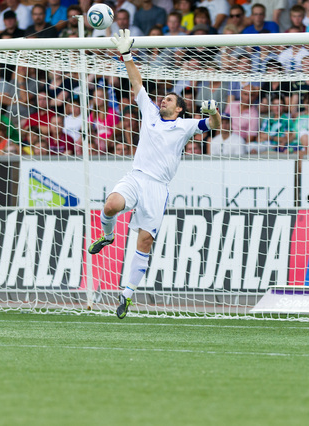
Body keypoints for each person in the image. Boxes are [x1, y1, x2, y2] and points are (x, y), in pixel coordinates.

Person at [88, 29, 220, 319]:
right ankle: (108, 237)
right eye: (164, 98)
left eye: (170, 100)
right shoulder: (148, 112)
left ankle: (127, 295)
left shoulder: (185, 126)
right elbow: (136, 82)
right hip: (136, 176)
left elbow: (213, 125)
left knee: (144, 240)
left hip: (158, 188)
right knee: (111, 205)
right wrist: (126, 55)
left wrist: (213, 112)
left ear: (180, 108)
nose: (164, 100)